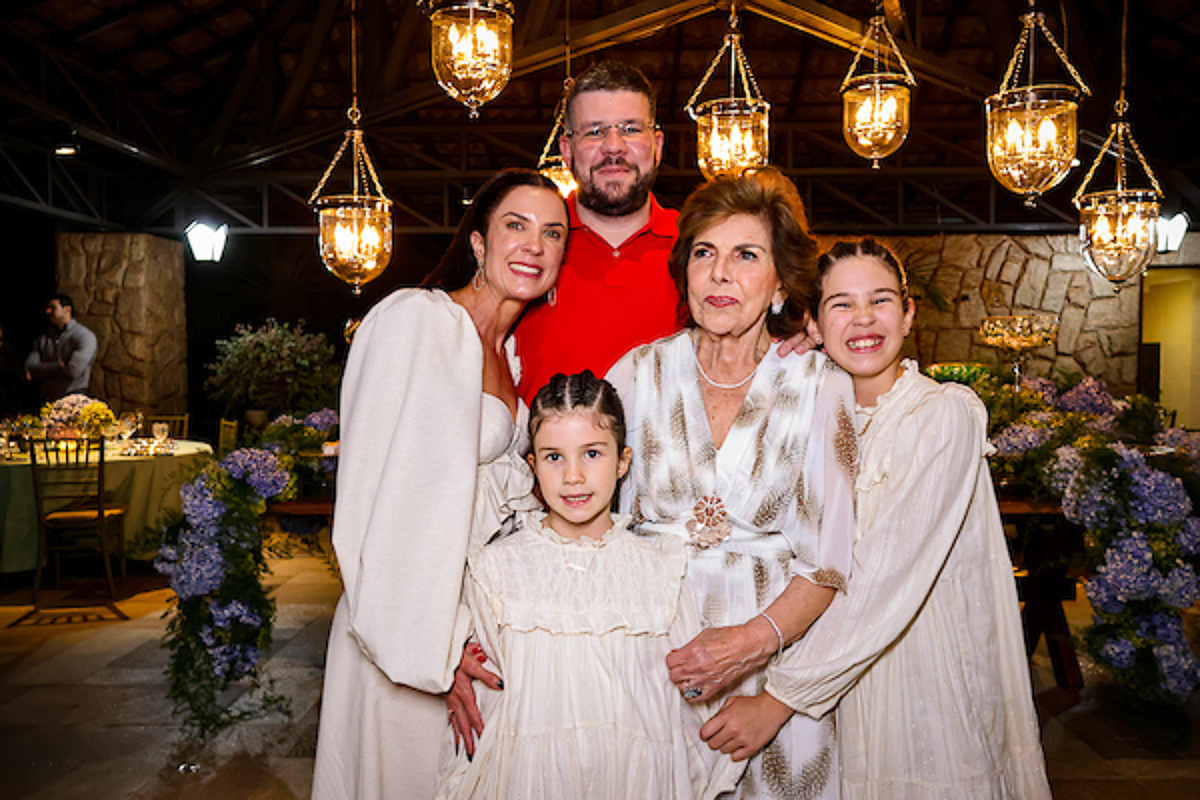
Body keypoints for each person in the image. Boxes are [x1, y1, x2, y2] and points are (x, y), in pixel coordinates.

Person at [715, 239, 1051, 798]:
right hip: (817, 678)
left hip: (918, 672)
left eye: (881, 300)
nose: (864, 318)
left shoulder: (943, 414)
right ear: (815, 326)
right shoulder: (809, 412)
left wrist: (776, 700)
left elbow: (882, 574)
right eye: (841, 304)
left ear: (909, 313)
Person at [311, 169, 568, 800]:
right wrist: (442, 644)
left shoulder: (510, 357)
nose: (534, 245)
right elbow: (373, 503)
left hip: (478, 620)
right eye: (516, 226)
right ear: (478, 243)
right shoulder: (413, 322)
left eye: (553, 234)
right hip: (405, 626)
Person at [606, 168, 857, 799]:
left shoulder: (821, 387)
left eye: (746, 255)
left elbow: (834, 562)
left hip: (776, 684)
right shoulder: (638, 376)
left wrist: (755, 656)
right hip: (648, 673)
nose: (720, 273)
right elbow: (581, 517)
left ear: (779, 282)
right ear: (685, 273)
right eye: (704, 254)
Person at [435, 371, 742, 800]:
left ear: (623, 462)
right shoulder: (495, 568)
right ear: (532, 466)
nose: (574, 476)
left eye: (592, 453)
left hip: (635, 776)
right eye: (554, 457)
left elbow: (692, 694)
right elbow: (485, 701)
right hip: (529, 776)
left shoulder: (661, 567)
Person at [513, 60, 680, 401]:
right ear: (566, 150)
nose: (614, 146)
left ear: (658, 145)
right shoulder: (524, 250)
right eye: (594, 131)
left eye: (631, 129)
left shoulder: (699, 246)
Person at [24, 293, 97, 400]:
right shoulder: (43, 339)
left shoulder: (84, 336)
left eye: (53, 308)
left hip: (73, 400)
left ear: (67, 309)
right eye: (47, 308)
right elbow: (30, 366)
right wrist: (58, 365)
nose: (47, 311)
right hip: (46, 399)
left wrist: (42, 369)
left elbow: (73, 371)